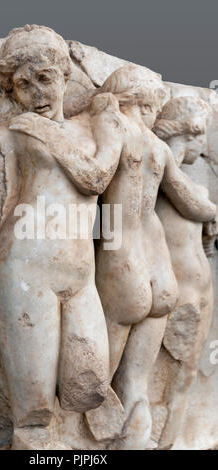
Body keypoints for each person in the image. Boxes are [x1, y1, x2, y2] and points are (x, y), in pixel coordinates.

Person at [0, 25, 129, 450]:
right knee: (34, 412)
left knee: (90, 385)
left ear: (65, 75)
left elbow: (97, 177)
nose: (36, 93)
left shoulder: (93, 128)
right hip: (23, 270)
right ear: (12, 91)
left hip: (79, 277)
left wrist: (44, 132)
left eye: (44, 78)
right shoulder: (2, 136)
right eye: (22, 85)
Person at [91, 65, 217, 449]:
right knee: (136, 383)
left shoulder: (114, 131)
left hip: (124, 263)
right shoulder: (159, 148)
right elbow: (193, 201)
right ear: (145, 103)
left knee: (98, 382)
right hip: (161, 272)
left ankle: (90, 444)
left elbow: (91, 182)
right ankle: (135, 440)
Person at [154, 96, 217, 448]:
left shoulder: (188, 182)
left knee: (186, 373)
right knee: (170, 375)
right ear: (189, 131)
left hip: (200, 284)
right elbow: (195, 206)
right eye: (202, 133)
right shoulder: (159, 169)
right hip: (176, 290)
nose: (205, 143)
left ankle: (173, 440)